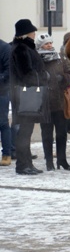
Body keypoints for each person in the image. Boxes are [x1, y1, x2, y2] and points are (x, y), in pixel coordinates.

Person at [10, 19, 48, 175]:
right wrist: (41, 77)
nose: (35, 34)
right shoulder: (21, 49)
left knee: (26, 131)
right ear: (26, 34)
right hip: (26, 94)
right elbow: (26, 73)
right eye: (33, 32)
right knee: (24, 132)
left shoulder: (25, 47)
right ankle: (22, 165)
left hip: (27, 94)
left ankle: (27, 163)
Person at [35, 34, 70, 171]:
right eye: (46, 44)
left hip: (59, 102)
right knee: (47, 135)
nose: (50, 45)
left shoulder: (60, 58)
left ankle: (62, 160)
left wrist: (63, 78)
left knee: (61, 134)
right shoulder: (37, 61)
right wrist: (41, 79)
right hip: (44, 103)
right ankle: (49, 162)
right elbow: (32, 78)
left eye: (51, 43)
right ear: (41, 46)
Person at [0, 38, 12, 166]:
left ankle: (6, 154)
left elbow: (9, 71)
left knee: (2, 123)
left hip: (1, 92)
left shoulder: (4, 48)